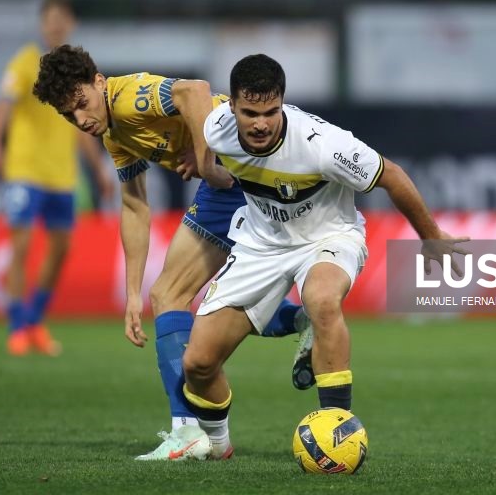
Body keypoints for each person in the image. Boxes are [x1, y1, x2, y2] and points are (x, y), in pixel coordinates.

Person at [179, 54, 470, 459]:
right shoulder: (218, 128)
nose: (261, 123)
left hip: (329, 237)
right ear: (232, 108)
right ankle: (218, 444)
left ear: (282, 103)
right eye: (250, 113)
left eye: (270, 112)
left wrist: (431, 235)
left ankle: (338, 434)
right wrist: (205, 163)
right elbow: (195, 110)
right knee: (198, 363)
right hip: (261, 244)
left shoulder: (324, 146)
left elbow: (392, 175)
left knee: (321, 299)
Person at [32, 45, 315, 460]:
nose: (81, 120)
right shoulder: (114, 132)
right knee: (195, 299)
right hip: (235, 178)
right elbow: (134, 204)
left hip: (242, 169)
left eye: (81, 104)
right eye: (68, 115)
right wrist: (131, 294)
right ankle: (306, 319)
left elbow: (194, 91)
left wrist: (204, 158)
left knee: (173, 296)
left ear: (98, 82)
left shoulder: (128, 99)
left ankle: (190, 432)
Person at [0, 0, 113, 356]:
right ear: (43, 24)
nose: (55, 25)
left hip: (62, 174)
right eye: (50, 19)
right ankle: (16, 327)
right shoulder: (25, 61)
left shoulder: (76, 73)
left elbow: (82, 125)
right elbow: (3, 104)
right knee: (21, 245)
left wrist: (99, 167)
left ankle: (34, 320)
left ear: (70, 23)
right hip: (24, 169)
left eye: (61, 19)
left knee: (61, 249)